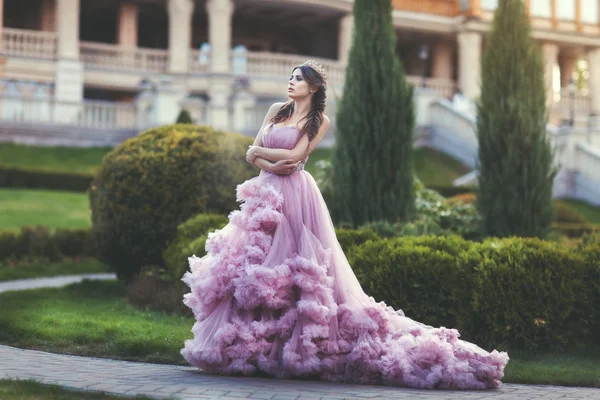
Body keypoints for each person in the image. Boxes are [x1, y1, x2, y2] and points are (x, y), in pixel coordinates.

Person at [180, 60, 509, 389]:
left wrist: (260, 156)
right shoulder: (276, 110)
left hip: (296, 196)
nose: (291, 82)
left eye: (299, 79)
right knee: (255, 265)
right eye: (291, 77)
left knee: (296, 267)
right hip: (264, 194)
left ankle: (297, 344)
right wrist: (266, 160)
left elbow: (294, 159)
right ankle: (256, 348)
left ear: (314, 88)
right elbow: (256, 156)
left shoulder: (319, 120)